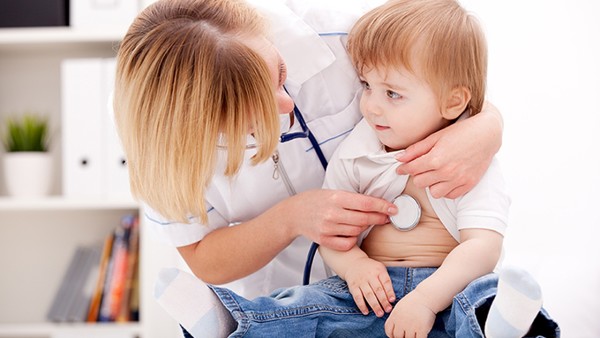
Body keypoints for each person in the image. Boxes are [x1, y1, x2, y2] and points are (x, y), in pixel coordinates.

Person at [152, 0, 561, 337]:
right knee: (304, 310)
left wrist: (486, 124)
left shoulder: (365, 43)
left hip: (448, 289)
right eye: (365, 87)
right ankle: (230, 322)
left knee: (482, 297)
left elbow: (483, 247)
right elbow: (334, 236)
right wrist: (356, 267)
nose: (371, 105)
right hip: (362, 294)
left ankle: (503, 328)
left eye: (391, 94)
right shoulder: (359, 153)